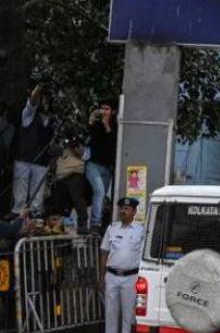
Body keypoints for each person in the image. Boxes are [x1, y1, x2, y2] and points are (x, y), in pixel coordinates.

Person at [100, 197, 144, 333]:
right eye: (121, 208)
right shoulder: (112, 228)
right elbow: (104, 252)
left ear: (134, 211)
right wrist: (101, 277)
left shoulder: (140, 230)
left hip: (131, 278)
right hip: (111, 275)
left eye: (126, 209)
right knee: (110, 313)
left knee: (128, 315)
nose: (123, 211)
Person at [10, 85, 55, 216]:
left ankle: (34, 222)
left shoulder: (52, 121)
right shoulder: (28, 114)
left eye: (47, 99)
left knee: (37, 200)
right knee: (20, 198)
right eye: (43, 99)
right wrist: (38, 89)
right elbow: (32, 102)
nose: (45, 102)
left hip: (41, 162)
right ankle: (17, 221)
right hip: (24, 159)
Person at [46, 137, 91, 233]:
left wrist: (73, 144)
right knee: (58, 201)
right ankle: (58, 226)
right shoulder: (59, 139)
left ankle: (82, 224)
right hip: (61, 176)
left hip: (75, 173)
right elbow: (51, 152)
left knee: (77, 198)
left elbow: (85, 155)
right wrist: (60, 144)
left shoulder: (80, 141)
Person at [87, 100, 118, 232]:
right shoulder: (97, 125)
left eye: (107, 109)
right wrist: (91, 119)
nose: (104, 112)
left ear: (113, 112)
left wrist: (106, 125)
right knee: (99, 192)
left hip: (107, 168)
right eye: (102, 109)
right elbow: (89, 131)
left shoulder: (115, 126)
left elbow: (113, 142)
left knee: (103, 195)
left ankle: (98, 224)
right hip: (93, 165)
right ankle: (95, 223)